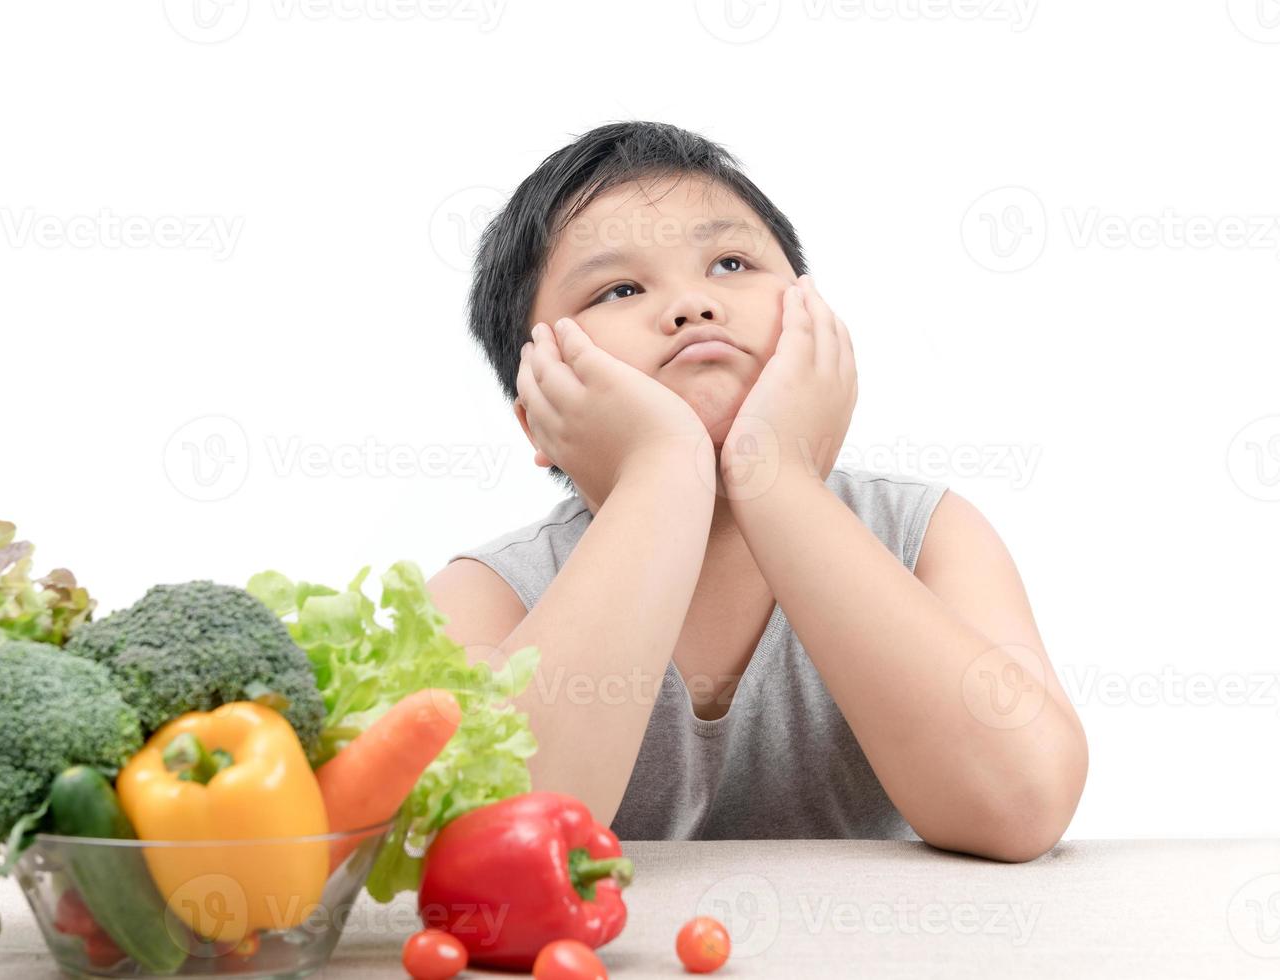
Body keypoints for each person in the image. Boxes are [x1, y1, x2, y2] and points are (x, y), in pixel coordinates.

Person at [428, 120, 1086, 862]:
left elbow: (1021, 804)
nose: (691, 306)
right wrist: (661, 470)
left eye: (732, 264)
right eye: (618, 288)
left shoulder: (925, 534)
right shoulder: (492, 595)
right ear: (536, 410)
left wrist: (780, 479)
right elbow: (496, 844)